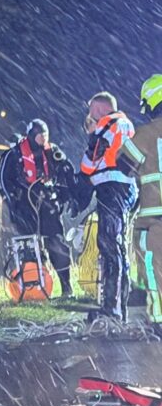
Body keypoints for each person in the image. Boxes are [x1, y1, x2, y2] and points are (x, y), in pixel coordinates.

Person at [80, 92, 144, 321]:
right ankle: (118, 308)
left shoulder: (109, 124)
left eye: (91, 111)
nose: (90, 115)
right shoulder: (126, 124)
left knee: (109, 246)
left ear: (98, 110)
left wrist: (91, 138)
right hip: (126, 188)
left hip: (112, 188)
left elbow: (88, 164)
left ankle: (111, 309)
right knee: (117, 247)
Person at [0, 119, 75, 296]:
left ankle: (66, 286)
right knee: (29, 247)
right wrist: (12, 202)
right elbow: (3, 180)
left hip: (48, 203)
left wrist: (65, 197)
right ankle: (33, 288)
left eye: (45, 136)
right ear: (32, 136)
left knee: (57, 242)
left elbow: (66, 173)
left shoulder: (53, 152)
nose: (43, 139)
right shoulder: (15, 154)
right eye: (40, 136)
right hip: (25, 204)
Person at [132, 75, 162, 327]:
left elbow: (122, 163)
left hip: (154, 218)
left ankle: (159, 320)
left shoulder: (145, 133)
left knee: (153, 268)